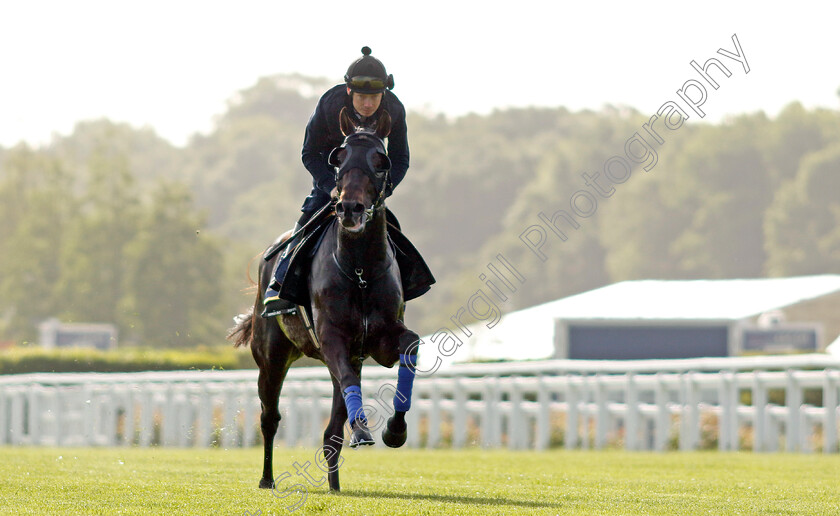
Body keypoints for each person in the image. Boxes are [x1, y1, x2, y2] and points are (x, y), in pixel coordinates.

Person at [262, 46, 410, 317]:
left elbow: (400, 160)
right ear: (349, 91)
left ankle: (408, 281)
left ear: (384, 93)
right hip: (333, 176)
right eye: (362, 97)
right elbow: (309, 153)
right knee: (308, 217)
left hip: (368, 183)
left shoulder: (395, 109)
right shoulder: (329, 104)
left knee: (392, 230)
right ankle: (279, 282)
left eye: (375, 97)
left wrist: (383, 190)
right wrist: (330, 186)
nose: (368, 104)